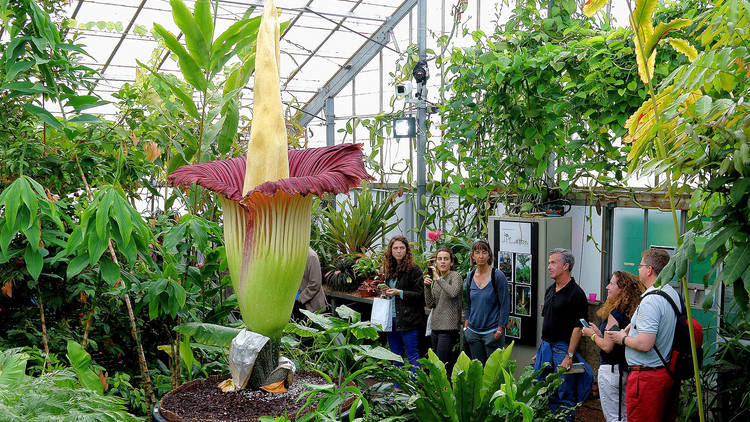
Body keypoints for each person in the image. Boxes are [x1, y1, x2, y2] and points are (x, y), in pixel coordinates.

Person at [605, 248, 679, 422]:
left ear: (649, 270)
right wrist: (632, 327)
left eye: (640, 265)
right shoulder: (670, 293)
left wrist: (621, 338)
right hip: (664, 371)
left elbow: (645, 344)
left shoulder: (651, 300)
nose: (638, 270)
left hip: (646, 379)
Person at [533, 248, 593, 419]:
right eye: (549, 263)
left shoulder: (576, 294)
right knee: (545, 391)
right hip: (546, 347)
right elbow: (547, 321)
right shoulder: (550, 290)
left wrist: (569, 355)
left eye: (553, 263)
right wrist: (540, 350)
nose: (549, 267)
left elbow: (578, 328)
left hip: (562, 349)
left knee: (564, 393)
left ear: (566, 266)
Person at [581, 271, 644, 422]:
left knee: (613, 417)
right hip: (624, 370)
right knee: (625, 415)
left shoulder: (615, 313)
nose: (607, 287)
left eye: (612, 284)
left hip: (610, 371)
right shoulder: (630, 311)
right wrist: (599, 332)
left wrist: (592, 335)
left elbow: (607, 347)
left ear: (622, 289)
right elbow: (615, 341)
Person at [463, 239, 510, 364]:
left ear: (489, 254)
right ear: (472, 255)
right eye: (477, 252)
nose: (481, 256)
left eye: (484, 252)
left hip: (492, 333)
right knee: (477, 372)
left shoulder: (497, 276)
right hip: (473, 333)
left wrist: (500, 329)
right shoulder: (470, 276)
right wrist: (466, 327)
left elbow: (505, 305)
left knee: (494, 374)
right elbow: (468, 303)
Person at [381, 235, 425, 369]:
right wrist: (386, 292)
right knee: (395, 355)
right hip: (391, 318)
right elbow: (391, 291)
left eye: (402, 248)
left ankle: (413, 387)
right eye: (395, 248)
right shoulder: (389, 269)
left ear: (406, 250)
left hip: (409, 319)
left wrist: (399, 292)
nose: (399, 251)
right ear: (391, 251)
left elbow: (419, 294)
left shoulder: (414, 269)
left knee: (412, 356)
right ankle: (398, 387)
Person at [424, 246, 462, 372]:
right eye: (439, 259)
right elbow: (430, 304)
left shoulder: (455, 276)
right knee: (436, 363)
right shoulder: (437, 280)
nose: (442, 262)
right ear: (436, 263)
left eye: (446, 259)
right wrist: (427, 287)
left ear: (451, 262)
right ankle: (438, 389)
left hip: (448, 327)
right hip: (435, 327)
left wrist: (438, 279)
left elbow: (453, 292)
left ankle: (446, 390)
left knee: (442, 362)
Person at [296, 247, 328, 313]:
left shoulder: (311, 256)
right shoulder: (295, 253)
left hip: (311, 305)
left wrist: (301, 298)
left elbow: (315, 283)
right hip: (297, 303)